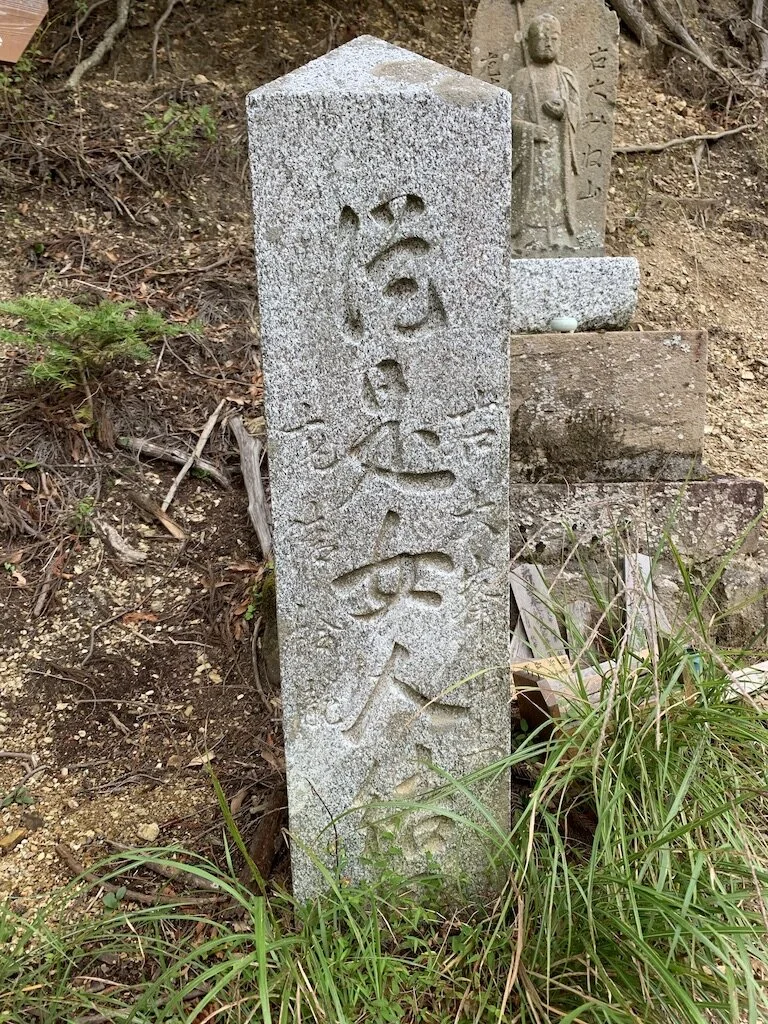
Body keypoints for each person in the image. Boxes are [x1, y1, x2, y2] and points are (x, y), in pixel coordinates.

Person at [510, 13, 581, 253]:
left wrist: (565, 111)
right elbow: (510, 120)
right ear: (528, 44)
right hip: (531, 152)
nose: (548, 43)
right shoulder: (521, 78)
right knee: (532, 193)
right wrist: (530, 131)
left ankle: (561, 236)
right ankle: (528, 237)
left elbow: (577, 112)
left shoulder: (566, 77)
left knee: (557, 191)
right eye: (541, 38)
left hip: (559, 150)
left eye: (553, 38)